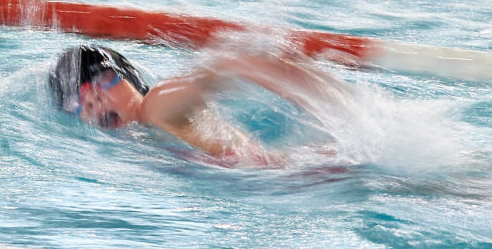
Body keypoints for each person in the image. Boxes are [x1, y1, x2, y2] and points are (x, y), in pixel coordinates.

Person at [48, 45, 349, 166]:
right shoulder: (146, 132)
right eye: (77, 98)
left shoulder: (158, 103)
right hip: (294, 176)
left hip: (304, 174)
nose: (92, 99)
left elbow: (235, 65)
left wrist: (334, 103)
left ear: (132, 80)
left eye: (102, 80)